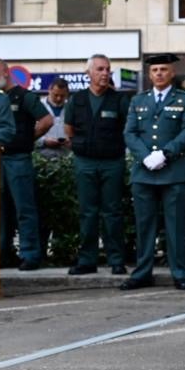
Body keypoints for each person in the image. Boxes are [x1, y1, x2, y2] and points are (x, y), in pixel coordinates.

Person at [122, 53, 185, 291]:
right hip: (144, 172)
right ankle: (143, 272)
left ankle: (179, 272)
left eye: (164, 69)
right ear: (149, 74)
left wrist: (165, 153)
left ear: (172, 73)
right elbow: (129, 133)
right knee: (144, 225)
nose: (159, 74)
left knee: (176, 226)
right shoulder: (138, 100)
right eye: (155, 70)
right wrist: (145, 156)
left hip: (174, 171)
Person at [0, 57, 52, 270]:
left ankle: (30, 254)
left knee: (24, 208)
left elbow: (46, 120)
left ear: (6, 72)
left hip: (18, 159)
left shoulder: (24, 96)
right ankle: (3, 253)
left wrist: (26, 138)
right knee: (0, 209)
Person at [65, 55, 131, 276]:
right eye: (100, 69)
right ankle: (87, 260)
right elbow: (69, 129)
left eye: (108, 69)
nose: (105, 73)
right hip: (85, 161)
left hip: (112, 161)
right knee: (87, 212)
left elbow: (127, 129)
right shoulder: (77, 99)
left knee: (112, 212)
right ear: (89, 73)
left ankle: (116, 260)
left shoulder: (120, 100)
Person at [37, 78, 72, 155]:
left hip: (65, 155)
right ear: (49, 90)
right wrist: (44, 141)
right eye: (55, 95)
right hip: (41, 155)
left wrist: (70, 140)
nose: (59, 98)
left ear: (67, 94)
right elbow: (29, 132)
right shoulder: (38, 106)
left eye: (62, 96)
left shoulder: (71, 108)